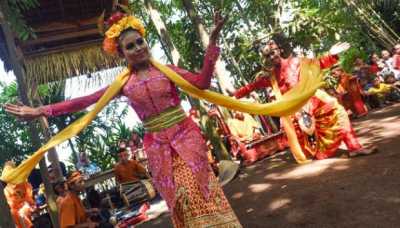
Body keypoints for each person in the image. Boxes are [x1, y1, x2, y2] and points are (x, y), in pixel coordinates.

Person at [5, 11, 242, 227]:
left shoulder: (167, 71)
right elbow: (84, 101)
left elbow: (201, 83)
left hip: (187, 140)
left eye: (140, 42)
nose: (138, 48)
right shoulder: (123, 84)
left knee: (198, 191)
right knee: (179, 201)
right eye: (130, 46)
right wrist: (40, 111)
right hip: (158, 148)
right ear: (122, 53)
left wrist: (212, 45)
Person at [234, 40, 375, 160]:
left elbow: (317, 64)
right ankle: (326, 150)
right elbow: (251, 86)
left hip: (314, 99)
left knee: (339, 112)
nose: (271, 57)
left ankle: (354, 147)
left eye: (273, 53)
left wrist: (331, 55)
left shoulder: (296, 62)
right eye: (267, 56)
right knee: (311, 141)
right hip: (297, 111)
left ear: (279, 50)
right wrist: (234, 96)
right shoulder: (270, 76)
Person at [3, 161, 36, 228]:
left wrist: (29, 204)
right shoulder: (5, 188)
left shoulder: (22, 182)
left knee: (21, 213)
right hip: (12, 210)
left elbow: (28, 197)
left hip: (24, 206)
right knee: (13, 213)